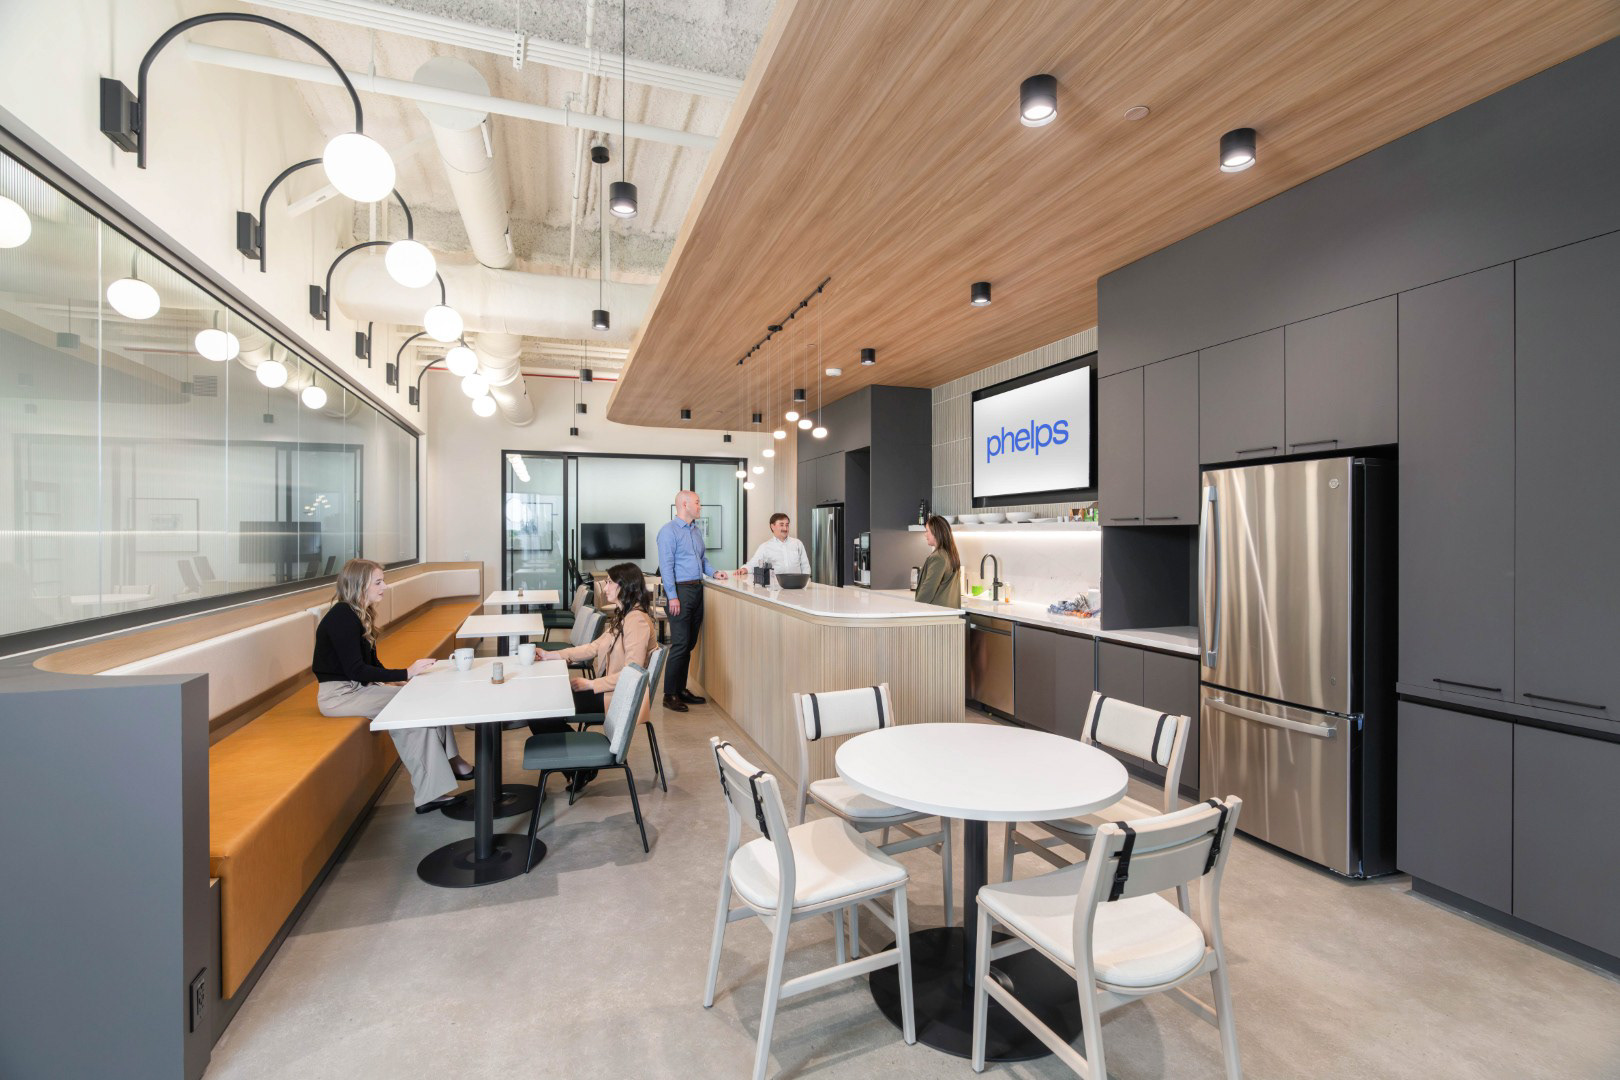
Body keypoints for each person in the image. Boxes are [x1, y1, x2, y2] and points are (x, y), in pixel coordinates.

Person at [313, 559, 473, 814]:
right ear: (359, 585)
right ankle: (430, 793)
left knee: (424, 696)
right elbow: (356, 670)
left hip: (357, 688)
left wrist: (399, 679)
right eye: (378, 582)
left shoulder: (359, 614)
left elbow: (371, 664)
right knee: (408, 708)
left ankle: (453, 762)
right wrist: (407, 672)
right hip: (340, 696)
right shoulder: (342, 617)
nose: (384, 587)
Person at [529, 562, 657, 792]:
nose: (605, 588)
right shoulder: (624, 616)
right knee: (543, 707)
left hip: (619, 698)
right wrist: (552, 655)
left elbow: (633, 674)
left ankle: (579, 768)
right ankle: (579, 769)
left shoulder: (636, 621)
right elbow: (592, 648)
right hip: (611, 690)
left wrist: (591, 684)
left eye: (609, 582)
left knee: (543, 710)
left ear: (624, 586)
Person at [656, 489, 727, 712]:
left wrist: (714, 573)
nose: (700, 506)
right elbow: (666, 566)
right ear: (685, 504)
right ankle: (669, 694)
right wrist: (672, 596)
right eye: (697, 502)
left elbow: (702, 559)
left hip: (697, 589)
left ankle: (681, 689)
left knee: (689, 644)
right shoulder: (668, 531)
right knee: (679, 644)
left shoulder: (695, 531)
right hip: (680, 591)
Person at [736, 512, 811, 578]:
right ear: (772, 526)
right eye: (781, 525)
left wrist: (806, 582)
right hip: (776, 586)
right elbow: (754, 563)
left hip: (797, 586)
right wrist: (744, 569)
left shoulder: (797, 543)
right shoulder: (765, 547)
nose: (785, 528)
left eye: (787, 525)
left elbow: (805, 566)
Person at [914, 514, 962, 608]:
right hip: (950, 611)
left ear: (936, 532)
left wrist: (916, 608)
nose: (925, 534)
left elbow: (928, 589)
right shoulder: (950, 554)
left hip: (936, 611)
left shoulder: (938, 557)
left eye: (927, 531)